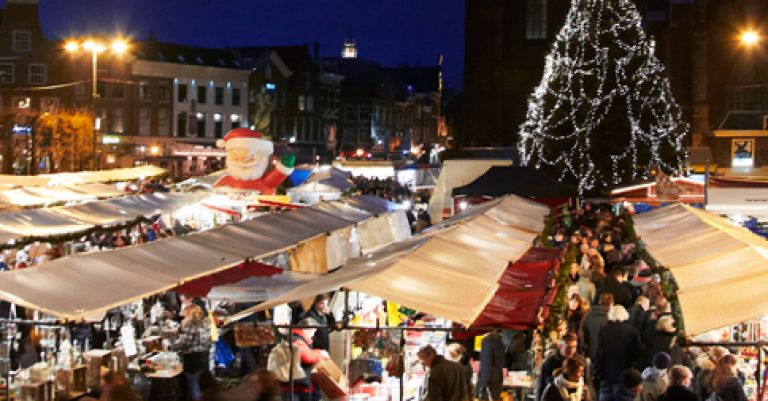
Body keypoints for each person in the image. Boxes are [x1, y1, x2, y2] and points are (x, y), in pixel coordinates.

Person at [593, 306, 642, 398]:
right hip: (625, 374)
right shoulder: (633, 332)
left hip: (607, 373)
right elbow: (637, 354)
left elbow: (599, 353)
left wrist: (597, 371)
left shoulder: (604, 330)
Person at [171, 304, 212, 401]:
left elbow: (185, 342)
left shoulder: (190, 324)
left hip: (193, 358)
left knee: (193, 383)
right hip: (204, 355)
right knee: (200, 382)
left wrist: (170, 346)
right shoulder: (206, 323)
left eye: (185, 315)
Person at [282, 318, 328, 401]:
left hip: (300, 386)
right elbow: (306, 356)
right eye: (312, 332)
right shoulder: (295, 339)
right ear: (305, 329)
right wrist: (320, 353)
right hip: (293, 388)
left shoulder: (301, 339)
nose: (312, 335)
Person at [537, 333, 580, 400]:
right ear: (560, 346)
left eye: (574, 347)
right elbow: (541, 387)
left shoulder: (579, 362)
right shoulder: (549, 363)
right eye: (568, 347)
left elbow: (587, 384)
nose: (572, 350)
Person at [582, 293, 613, 362]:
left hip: (591, 352)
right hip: (606, 354)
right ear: (611, 303)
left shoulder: (588, 315)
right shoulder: (611, 318)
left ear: (599, 301)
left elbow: (583, 333)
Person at [477, 330, 505, 400]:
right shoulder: (499, 342)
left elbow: (486, 364)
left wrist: (483, 384)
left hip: (489, 380)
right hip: (498, 376)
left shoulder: (487, 342)